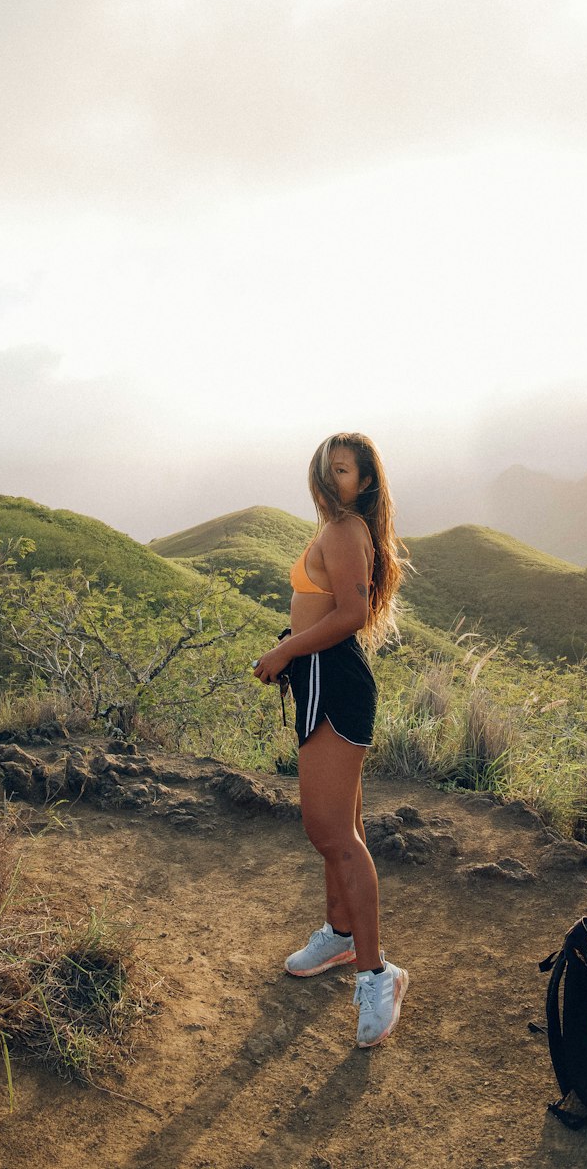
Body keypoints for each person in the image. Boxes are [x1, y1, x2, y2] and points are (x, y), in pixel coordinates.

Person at [252, 431, 408, 1047]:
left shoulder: (345, 531)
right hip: (322, 676)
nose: (331, 476)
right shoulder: (339, 529)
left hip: (333, 680)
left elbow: (349, 614)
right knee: (344, 828)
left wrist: (286, 650)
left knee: (331, 832)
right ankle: (340, 936)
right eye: (326, 466)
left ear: (364, 482)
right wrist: (294, 653)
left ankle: (377, 973)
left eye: (344, 470)